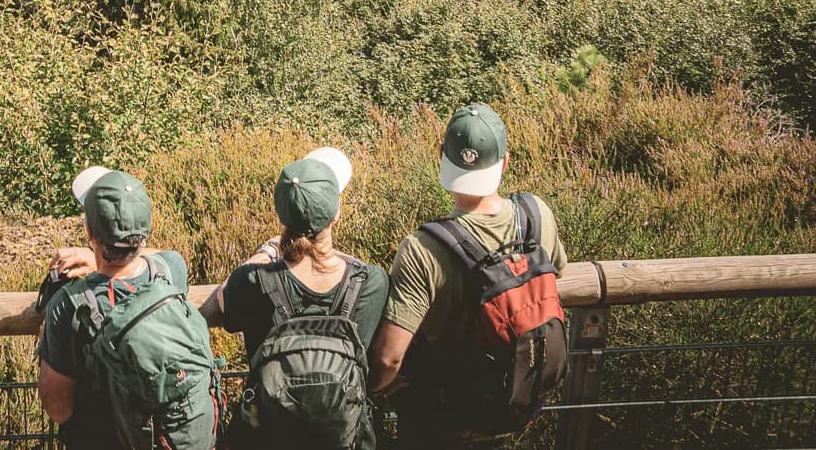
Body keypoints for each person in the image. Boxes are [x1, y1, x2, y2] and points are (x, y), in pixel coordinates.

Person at [376, 105, 568, 447]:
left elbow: (389, 359)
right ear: (505, 162)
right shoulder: (537, 216)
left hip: (442, 425)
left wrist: (372, 387)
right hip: (513, 409)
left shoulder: (422, 248)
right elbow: (557, 271)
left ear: (441, 157)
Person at [211, 148, 390, 448]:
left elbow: (220, 300)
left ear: (281, 213)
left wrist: (266, 252)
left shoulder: (252, 280)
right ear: (336, 215)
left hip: (268, 436)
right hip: (345, 437)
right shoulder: (371, 281)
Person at [36, 167, 222, 450]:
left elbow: (57, 407)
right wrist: (98, 254)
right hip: (168, 437)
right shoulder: (171, 269)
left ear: (89, 231)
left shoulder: (69, 303)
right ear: (145, 232)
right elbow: (156, 255)